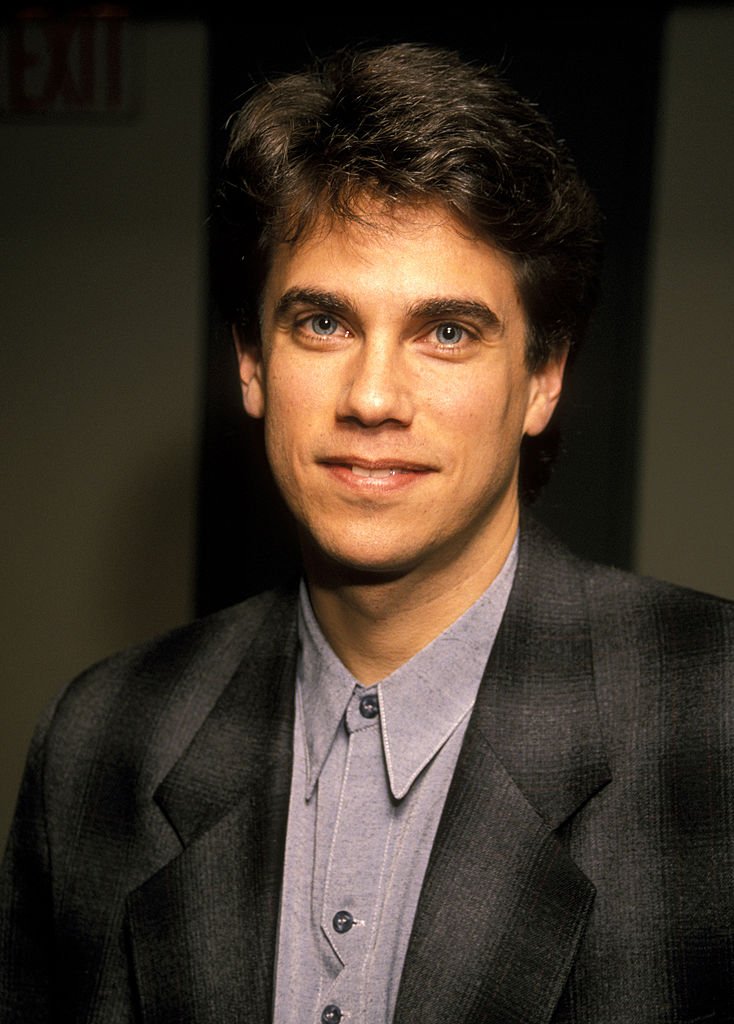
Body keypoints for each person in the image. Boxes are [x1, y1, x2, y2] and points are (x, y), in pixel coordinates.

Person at [1, 41, 732, 1024]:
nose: (374, 397)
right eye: (322, 323)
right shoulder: (104, 740)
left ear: (543, 376)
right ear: (252, 363)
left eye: (445, 331)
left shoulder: (713, 719)